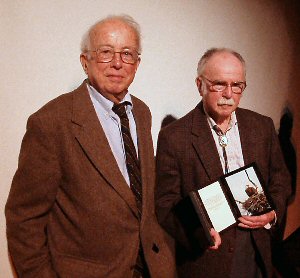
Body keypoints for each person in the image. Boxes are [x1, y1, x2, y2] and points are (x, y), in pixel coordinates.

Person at [5, 15, 176, 278]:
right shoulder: (51, 122)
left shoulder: (142, 112)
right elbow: (24, 219)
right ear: (86, 62)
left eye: (127, 54)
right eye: (106, 52)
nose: (118, 63)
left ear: (137, 64)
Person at [155, 48, 291, 278]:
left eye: (237, 85)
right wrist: (199, 232)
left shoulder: (262, 126)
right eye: (219, 84)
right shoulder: (174, 136)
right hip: (208, 260)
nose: (229, 93)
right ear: (200, 85)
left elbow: (280, 179)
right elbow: (165, 202)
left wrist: (272, 213)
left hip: (257, 251)